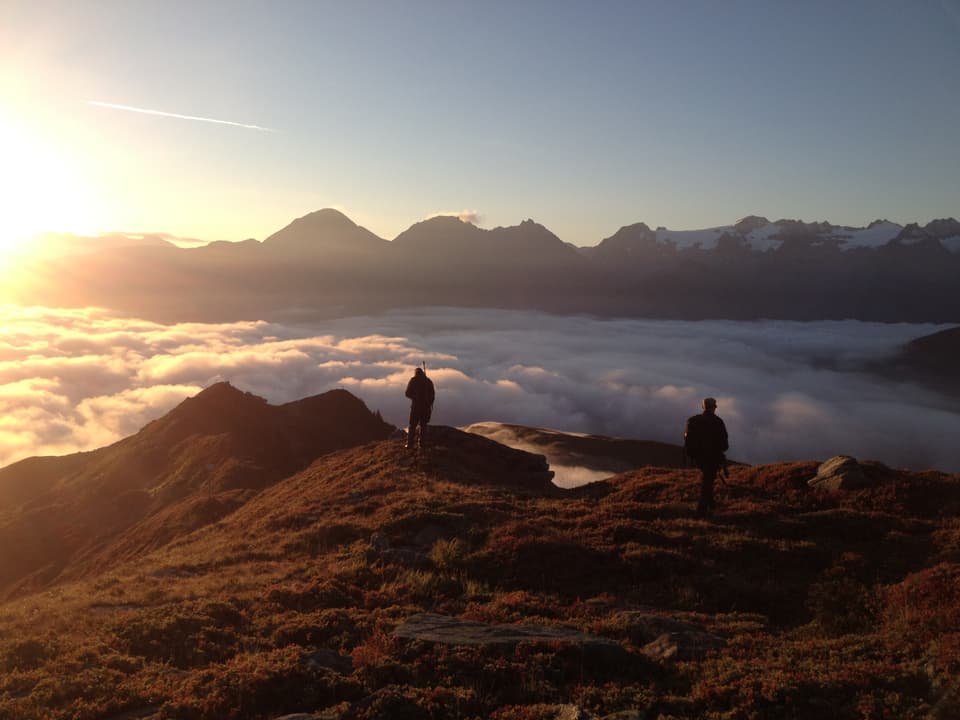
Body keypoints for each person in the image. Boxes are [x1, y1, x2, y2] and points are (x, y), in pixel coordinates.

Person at [683, 397, 729, 518]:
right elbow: (724, 445)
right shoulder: (718, 422)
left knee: (707, 479)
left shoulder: (692, 420)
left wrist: (693, 455)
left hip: (698, 458)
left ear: (703, 407)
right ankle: (701, 512)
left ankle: (711, 505)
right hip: (712, 458)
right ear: (713, 408)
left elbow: (687, 440)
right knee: (707, 481)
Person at [404, 366, 435, 450]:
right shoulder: (428, 381)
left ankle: (410, 444)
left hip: (415, 407)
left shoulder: (413, 381)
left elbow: (407, 393)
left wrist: (414, 397)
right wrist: (429, 403)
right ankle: (422, 444)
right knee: (423, 425)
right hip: (426, 408)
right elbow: (432, 395)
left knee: (412, 425)